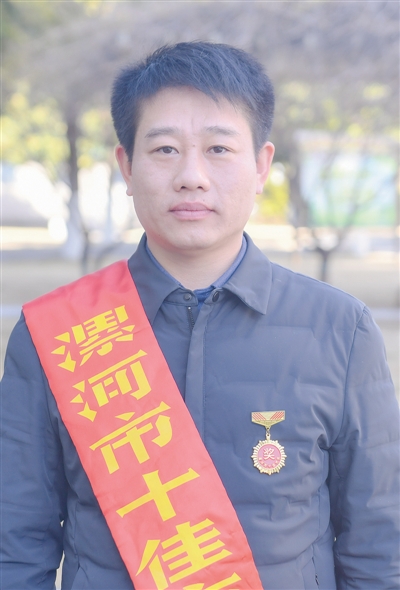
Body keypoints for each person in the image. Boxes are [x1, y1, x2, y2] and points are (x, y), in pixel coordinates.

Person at [1, 42, 399, 590]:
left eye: (218, 148)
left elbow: (379, 543)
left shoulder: (341, 329)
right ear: (127, 166)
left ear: (261, 165)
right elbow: (16, 543)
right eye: (165, 149)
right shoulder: (57, 335)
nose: (192, 175)